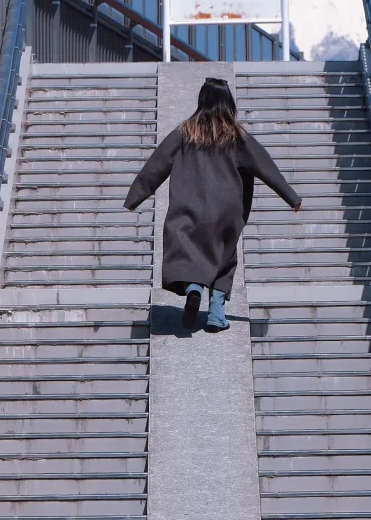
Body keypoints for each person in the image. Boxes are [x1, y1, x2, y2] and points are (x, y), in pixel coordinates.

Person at [124, 77, 301, 332]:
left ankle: (193, 287)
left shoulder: (185, 131)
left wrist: (135, 197)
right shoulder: (237, 135)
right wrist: (291, 198)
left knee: (184, 249)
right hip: (226, 210)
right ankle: (216, 315)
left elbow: (157, 164)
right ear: (228, 102)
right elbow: (265, 165)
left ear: (202, 100)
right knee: (224, 257)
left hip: (189, 205)